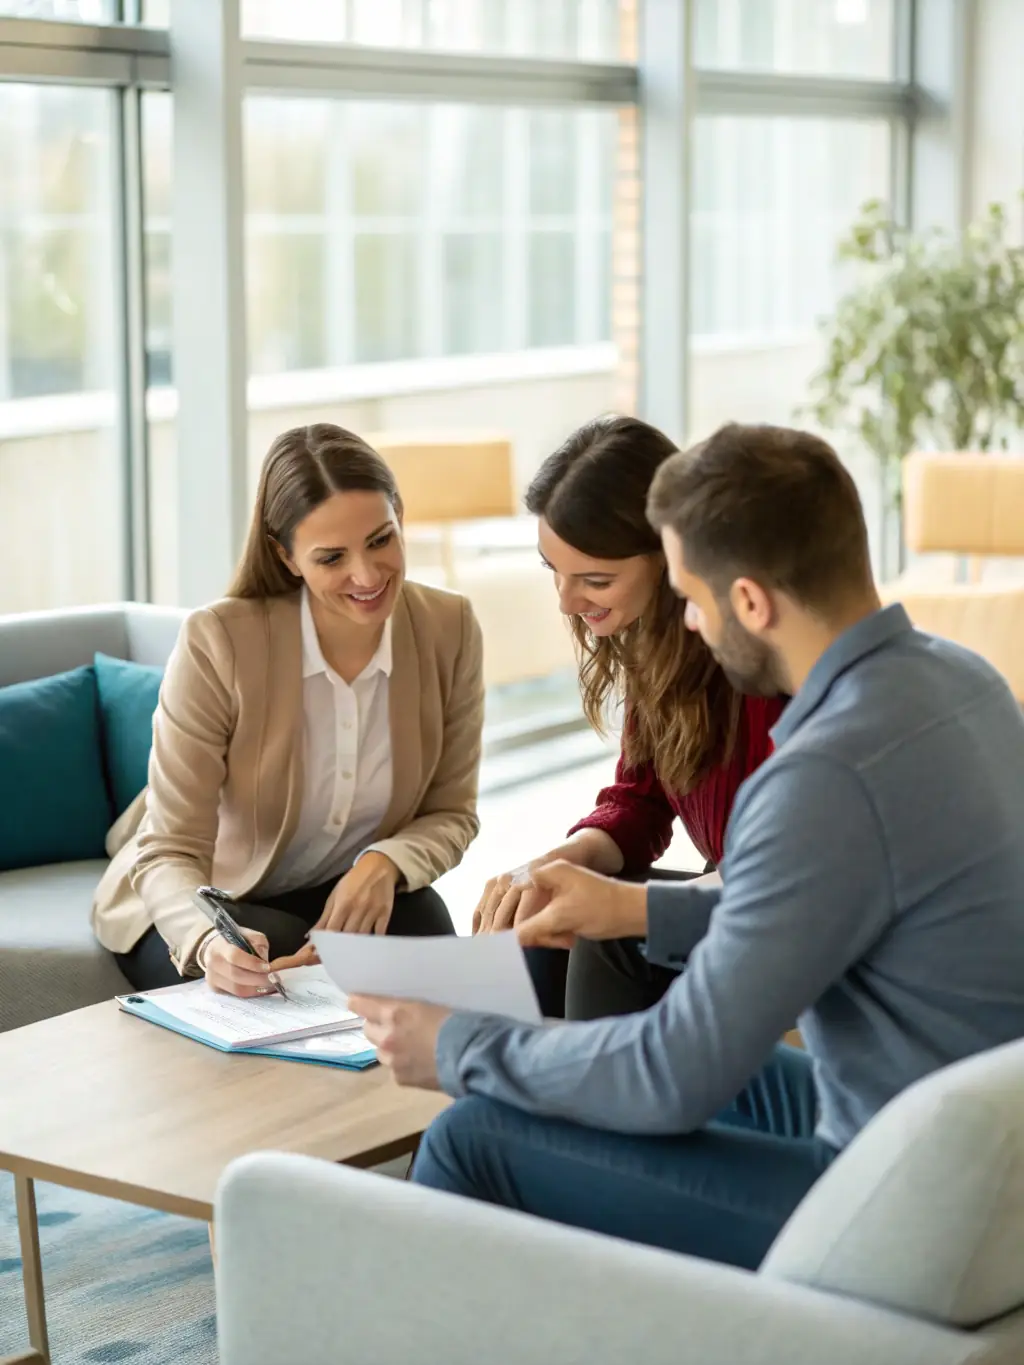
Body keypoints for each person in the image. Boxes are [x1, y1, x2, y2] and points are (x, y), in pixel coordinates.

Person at [351, 421, 1024, 1271]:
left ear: (749, 602)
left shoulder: (820, 772)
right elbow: (808, 883)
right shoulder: (967, 683)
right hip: (963, 1148)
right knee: (575, 1088)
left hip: (902, 1199)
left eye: (693, 599)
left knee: (470, 1137)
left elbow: (674, 1074)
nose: (689, 626)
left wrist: (456, 1045)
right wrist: (631, 906)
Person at [92, 423, 484, 997]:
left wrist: (383, 862)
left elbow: (452, 811)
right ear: (287, 556)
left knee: (422, 920)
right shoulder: (220, 640)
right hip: (205, 899)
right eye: (332, 557)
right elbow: (170, 850)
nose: (368, 576)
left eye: (381, 540)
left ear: (401, 515)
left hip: (334, 885)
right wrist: (208, 941)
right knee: (270, 968)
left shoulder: (449, 628)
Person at [473, 416, 783, 1020]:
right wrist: (557, 865)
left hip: (770, 915)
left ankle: (590, 1105)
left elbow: (780, 875)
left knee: (605, 935)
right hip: (725, 898)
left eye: (595, 580)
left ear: (669, 556)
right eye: (553, 571)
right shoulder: (656, 643)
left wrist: (613, 907)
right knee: (537, 919)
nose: (566, 600)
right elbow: (640, 801)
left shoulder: (755, 659)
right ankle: (538, 1102)